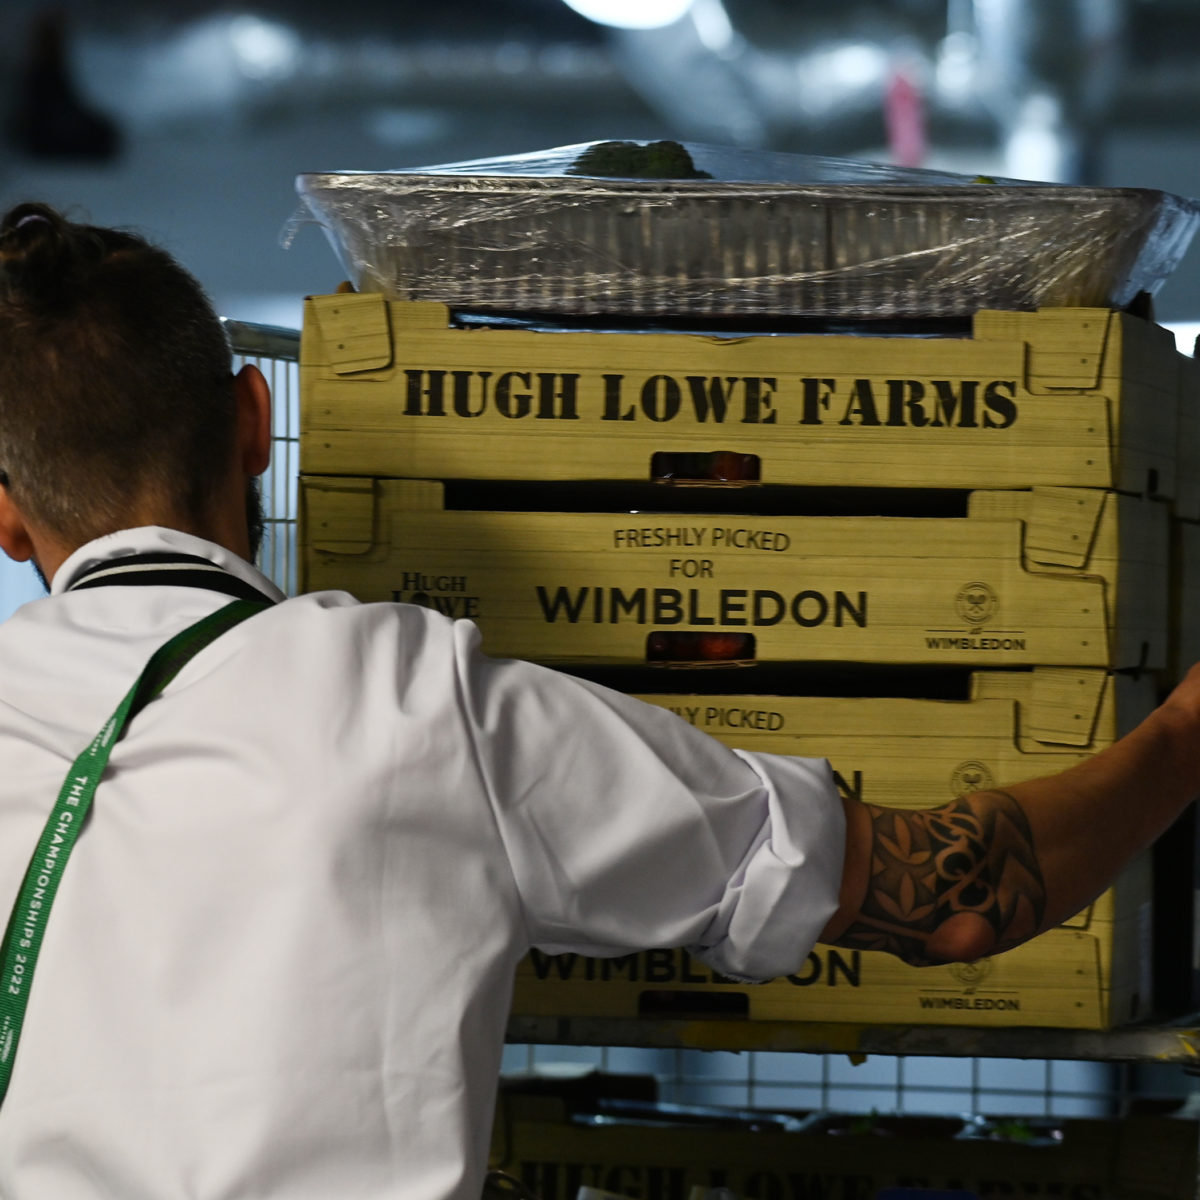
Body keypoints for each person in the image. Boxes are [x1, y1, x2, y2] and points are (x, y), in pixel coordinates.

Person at [0, 199, 1196, 1199]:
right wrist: (1186, 731)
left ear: (6, 516)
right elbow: (952, 902)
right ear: (258, 422)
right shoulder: (410, 703)